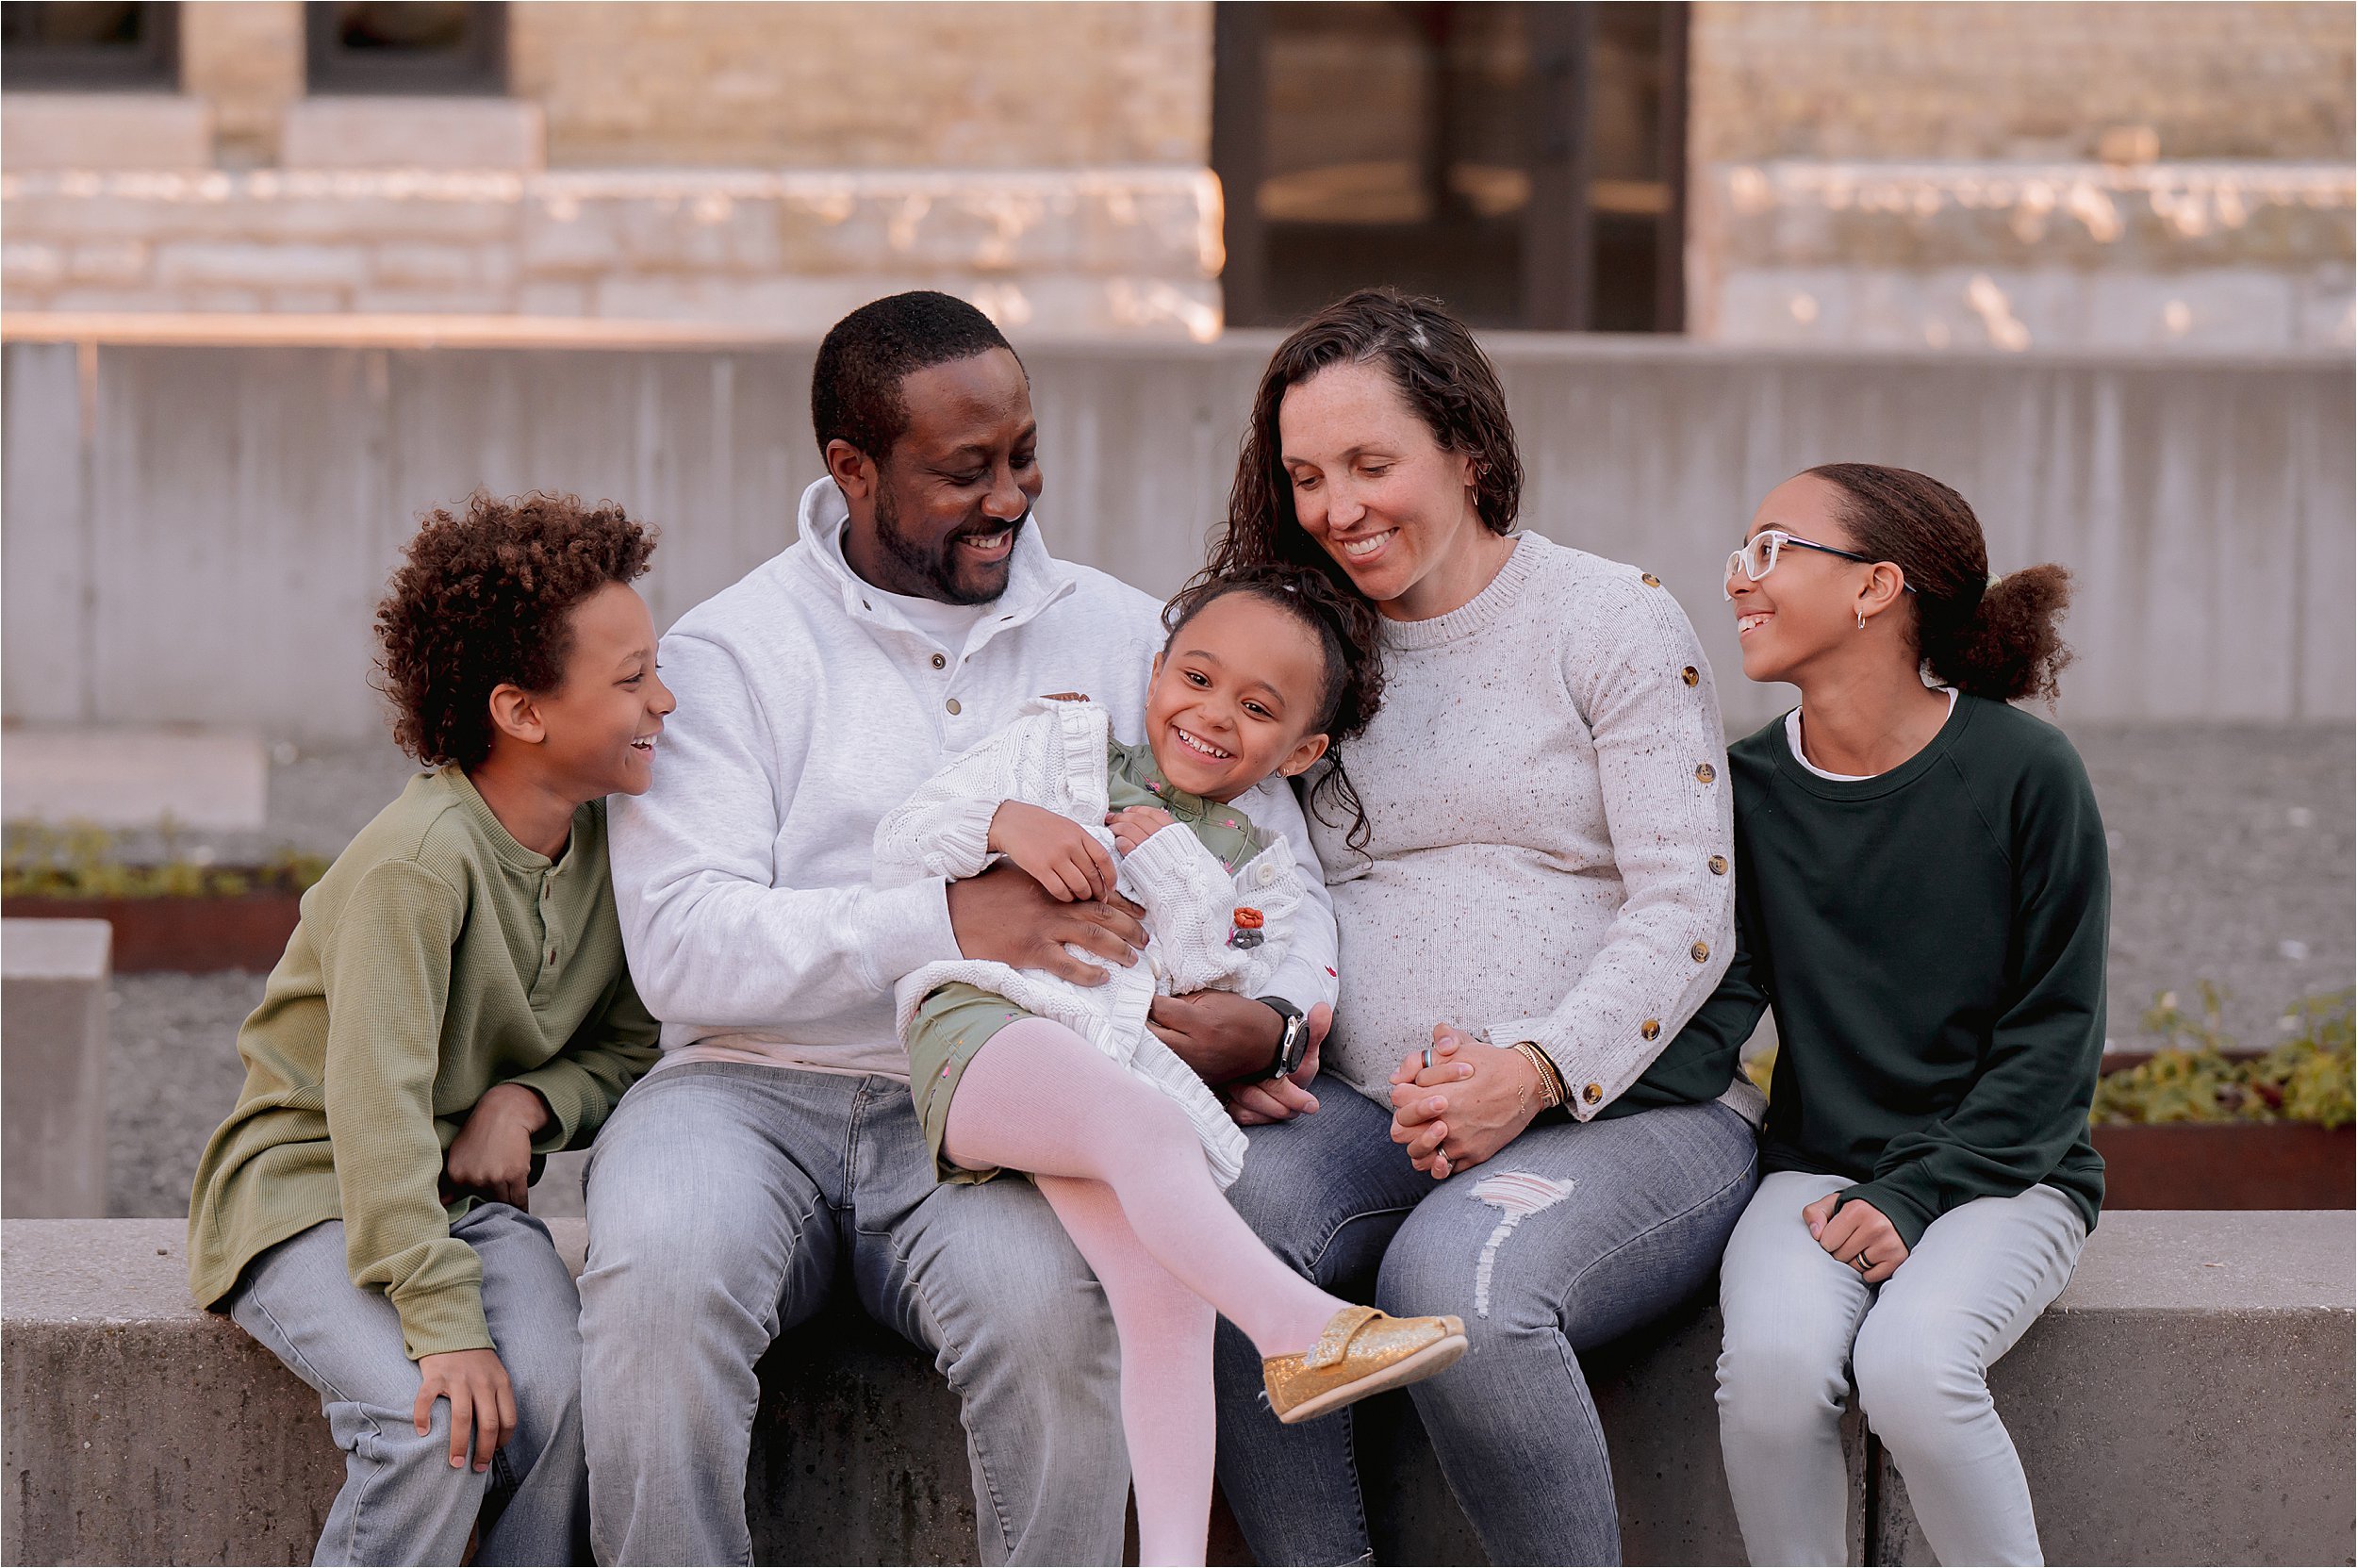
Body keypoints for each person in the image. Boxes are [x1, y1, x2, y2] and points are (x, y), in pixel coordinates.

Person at [586, 290, 1343, 1565]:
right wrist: (946, 917)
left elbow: (1263, 856)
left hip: (1002, 1104)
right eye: (965, 470)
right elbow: (680, 944)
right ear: (852, 468)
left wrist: (1266, 1020)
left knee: (1055, 1316)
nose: (1011, 495)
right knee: (656, 1281)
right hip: (740, 1085)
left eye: (1023, 454)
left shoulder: (1124, 634)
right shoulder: (731, 650)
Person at [1196, 287, 1764, 1564]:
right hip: (1361, 1110)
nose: (1338, 506)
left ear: (1469, 451)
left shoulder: (1609, 619)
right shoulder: (1302, 649)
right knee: (1224, 1227)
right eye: (1306, 475)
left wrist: (1535, 1066)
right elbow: (1228, 862)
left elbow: (1688, 904)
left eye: (1370, 463)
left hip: (1632, 1116)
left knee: (1458, 1283)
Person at [874, 565, 1465, 1566]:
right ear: (1153, 672)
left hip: (1104, 1059)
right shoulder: (1058, 749)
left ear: (1303, 748)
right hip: (983, 1028)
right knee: (1148, 1133)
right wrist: (1005, 823)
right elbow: (900, 845)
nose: (1212, 714)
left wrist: (1177, 872)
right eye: (1194, 677)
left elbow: (1206, 970)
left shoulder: (1257, 862)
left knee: (1170, 1298)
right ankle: (1302, 1329)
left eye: (1256, 707)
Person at [186, 493, 669, 1565]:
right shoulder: (418, 865)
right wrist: (446, 1323)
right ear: (522, 710)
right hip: (310, 1189)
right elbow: (372, 1114)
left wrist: (529, 1100)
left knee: (563, 1397)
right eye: (631, 679)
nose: (664, 701)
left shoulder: (614, 846)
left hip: (450, 1192)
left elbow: (630, 1047)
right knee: (434, 1424)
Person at [1700, 464, 2107, 1566]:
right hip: (1818, 1172)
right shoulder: (1741, 790)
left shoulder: (2026, 772)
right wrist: (1540, 1076)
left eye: (1774, 548)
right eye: (1741, 552)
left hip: (2005, 1170)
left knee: (1914, 1371)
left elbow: (2055, 1040)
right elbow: (1707, 1017)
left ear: (1876, 586)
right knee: (1771, 1380)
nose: (1740, 578)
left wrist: (1919, 1188)